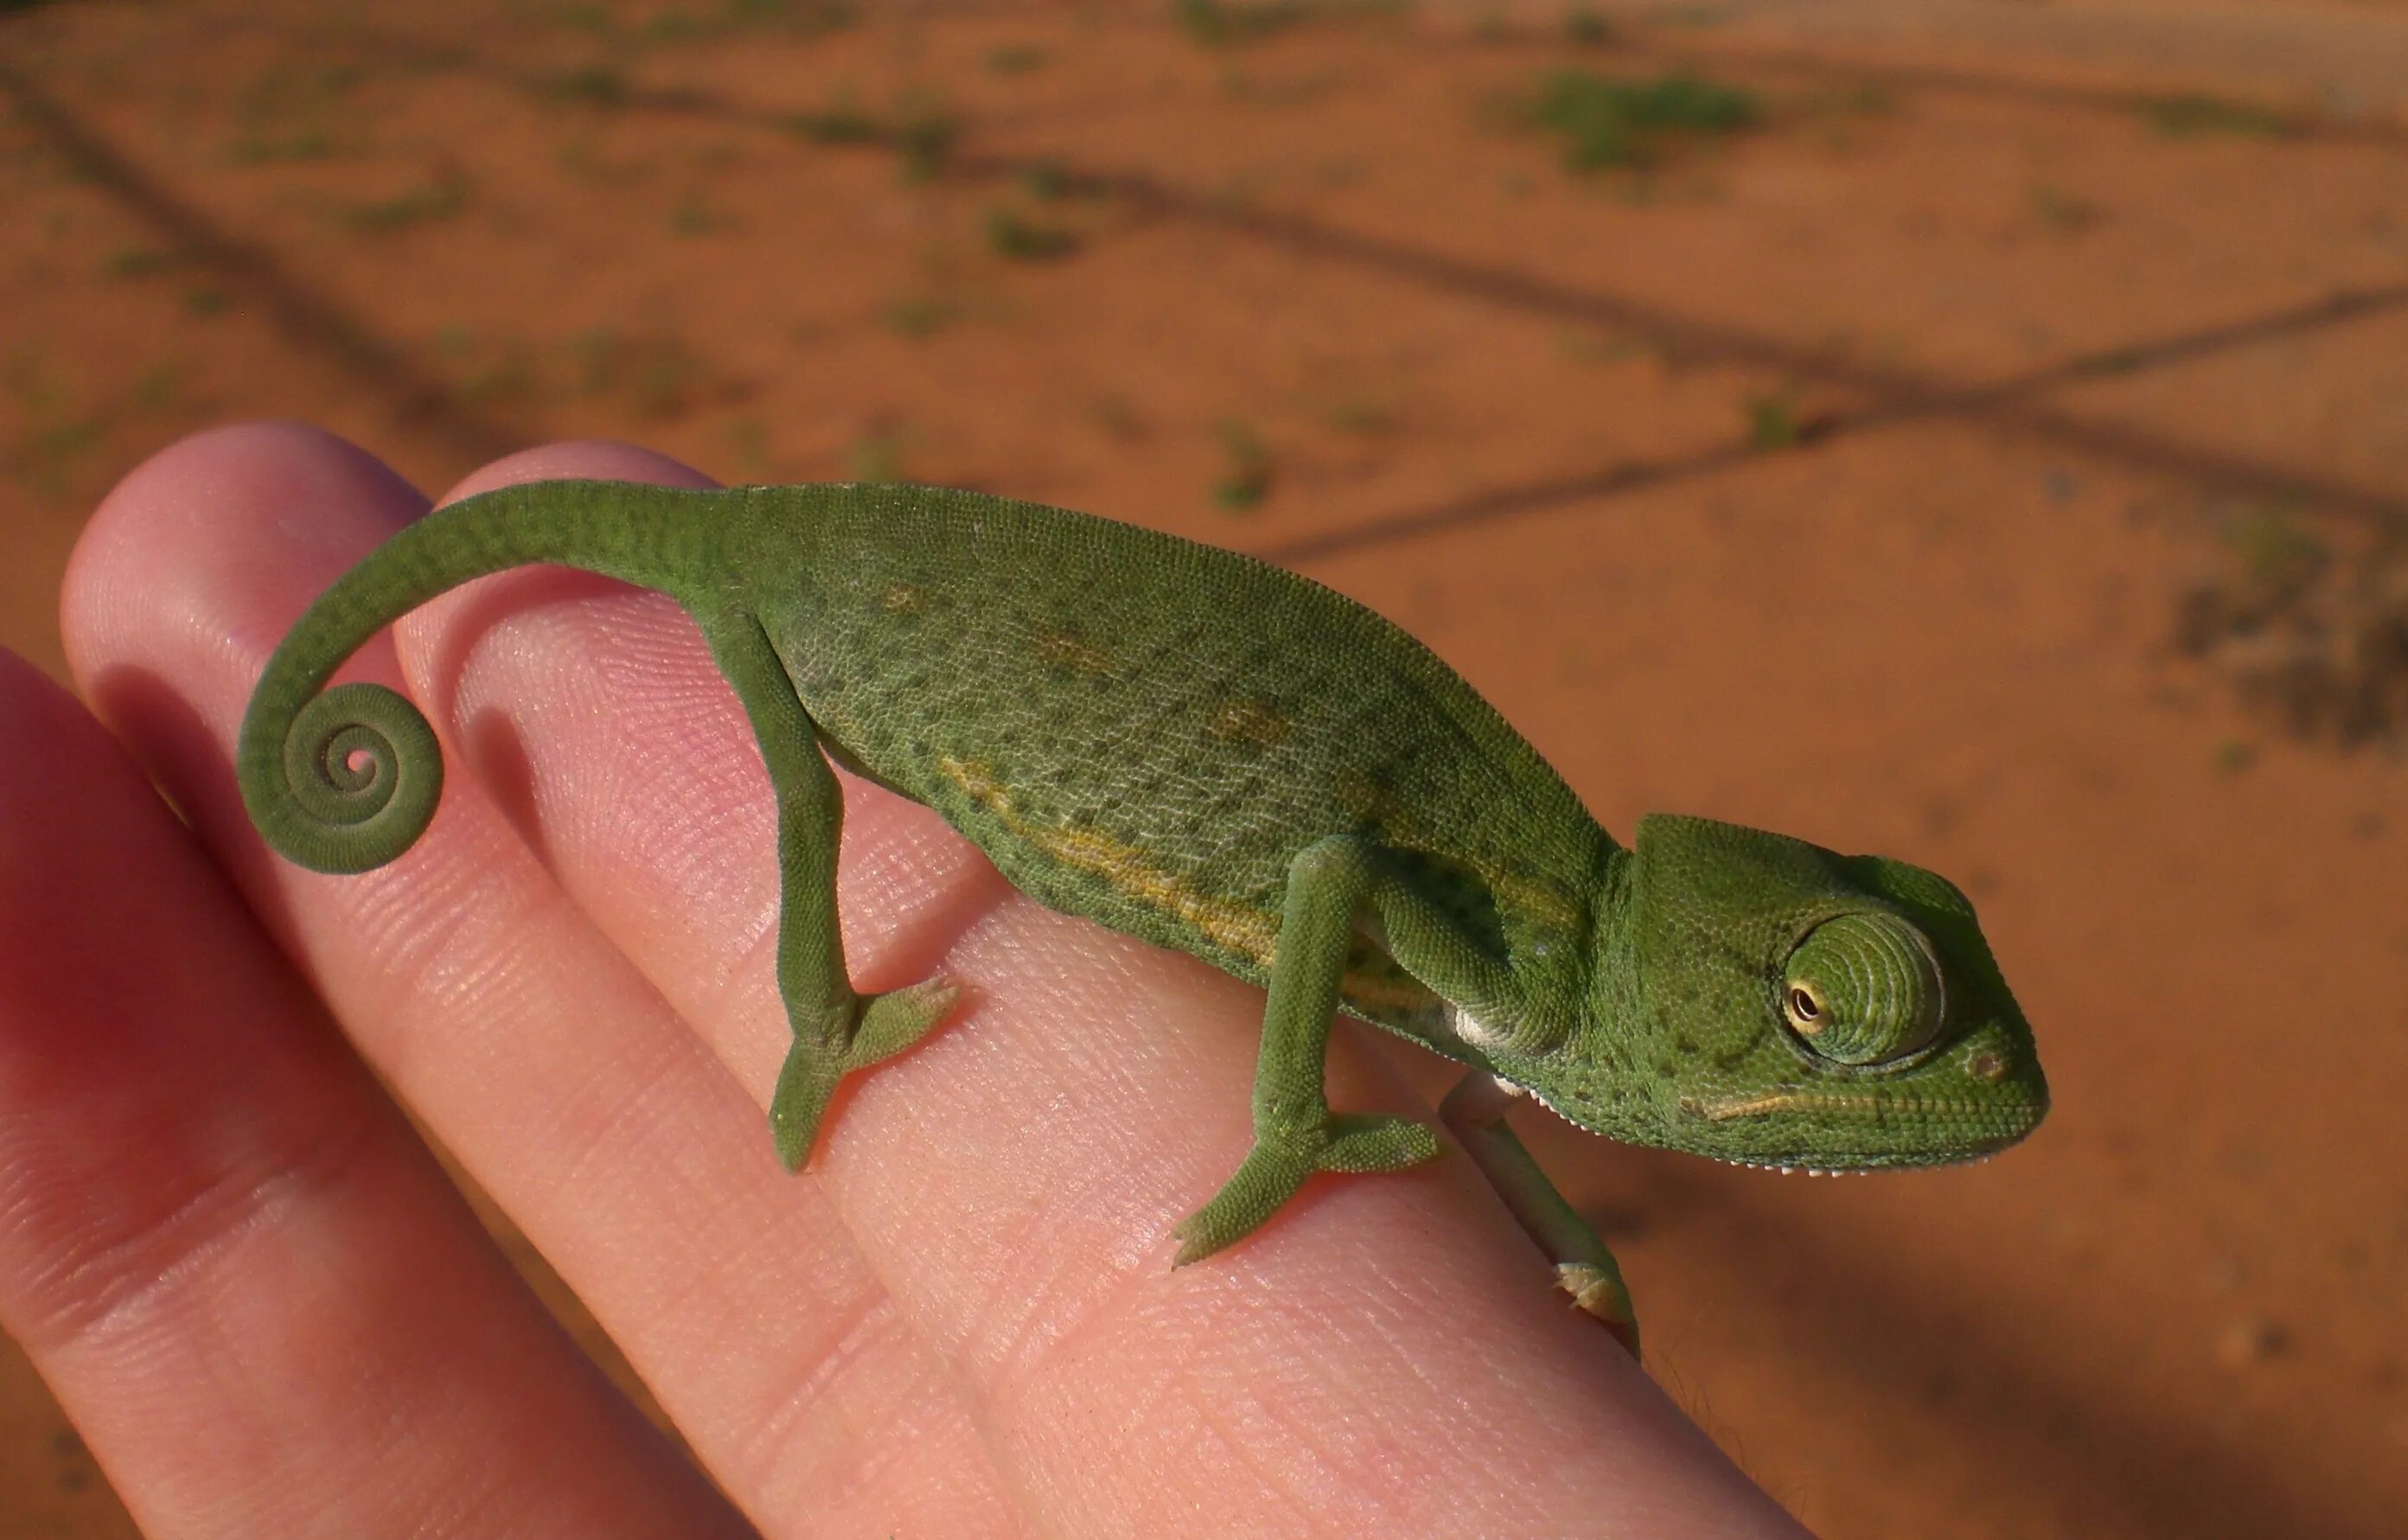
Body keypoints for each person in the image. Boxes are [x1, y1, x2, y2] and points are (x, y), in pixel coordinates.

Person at [0, 423, 1807, 1536]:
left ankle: (832, 1016)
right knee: (791, 794)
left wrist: (1565, 1246)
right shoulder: (1552, 949)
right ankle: (822, 1009)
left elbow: (1486, 1073)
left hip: (919, 610)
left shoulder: (1554, 976)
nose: (1842, 1056)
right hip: (853, 619)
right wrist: (1291, 1124)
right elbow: (1340, 886)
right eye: (1823, 1016)